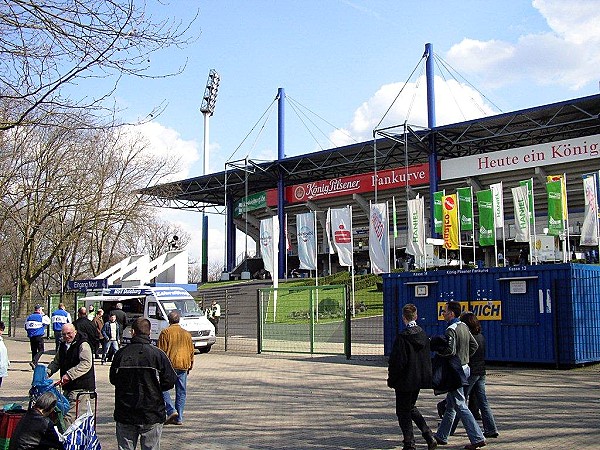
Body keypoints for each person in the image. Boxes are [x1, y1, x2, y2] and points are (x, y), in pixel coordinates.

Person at [110, 318, 176, 450]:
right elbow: (170, 381)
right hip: (151, 411)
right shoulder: (158, 354)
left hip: (126, 411)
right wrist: (156, 389)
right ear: (149, 332)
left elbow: (113, 379)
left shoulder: (120, 354)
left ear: (132, 332)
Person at [433, 301, 486, 450]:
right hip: (465, 368)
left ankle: (477, 438)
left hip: (455, 371)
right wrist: (465, 358)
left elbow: (449, 350)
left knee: (460, 404)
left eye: (445, 311)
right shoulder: (463, 326)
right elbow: (473, 345)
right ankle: (442, 436)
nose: (443, 313)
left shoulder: (451, 329)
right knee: (451, 405)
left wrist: (438, 351)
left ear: (451, 313)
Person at [387, 304, 437, 450]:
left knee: (402, 411)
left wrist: (392, 379)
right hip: (419, 379)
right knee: (410, 407)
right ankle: (428, 434)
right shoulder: (423, 334)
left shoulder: (403, 337)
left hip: (404, 380)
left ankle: (409, 443)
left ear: (404, 318)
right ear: (416, 316)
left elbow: (398, 361)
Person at [451, 312, 499, 440]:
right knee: (483, 402)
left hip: (471, 372)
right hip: (481, 372)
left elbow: (466, 355)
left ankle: (450, 428)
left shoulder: (469, 338)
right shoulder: (481, 336)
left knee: (460, 401)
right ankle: (491, 428)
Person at [46, 323, 96, 426]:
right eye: (64, 334)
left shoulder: (83, 344)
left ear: (75, 332)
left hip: (81, 386)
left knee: (68, 417)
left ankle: (64, 440)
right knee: (60, 413)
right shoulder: (63, 345)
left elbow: (86, 363)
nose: (66, 336)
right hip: (68, 386)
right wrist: (47, 373)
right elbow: (56, 362)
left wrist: (69, 375)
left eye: (69, 333)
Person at [157, 311, 194, 426]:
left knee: (163, 388)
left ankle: (171, 410)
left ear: (169, 320)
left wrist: (159, 367)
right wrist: (190, 365)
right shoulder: (187, 334)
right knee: (181, 392)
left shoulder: (165, 333)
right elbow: (191, 351)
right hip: (183, 365)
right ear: (179, 320)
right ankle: (179, 417)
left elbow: (161, 351)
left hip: (170, 365)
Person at [25, 304, 51, 369]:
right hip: (39, 336)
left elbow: (26, 326)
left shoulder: (29, 317)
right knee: (41, 350)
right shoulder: (41, 317)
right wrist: (44, 314)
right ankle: (34, 362)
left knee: (34, 351)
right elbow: (48, 322)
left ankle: (34, 365)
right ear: (39, 310)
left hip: (31, 336)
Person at [0, 321, 9, 387]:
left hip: (1, 367)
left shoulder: (1, 341)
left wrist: (7, 361)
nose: (0, 332)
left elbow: (3, 353)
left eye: (1, 330)